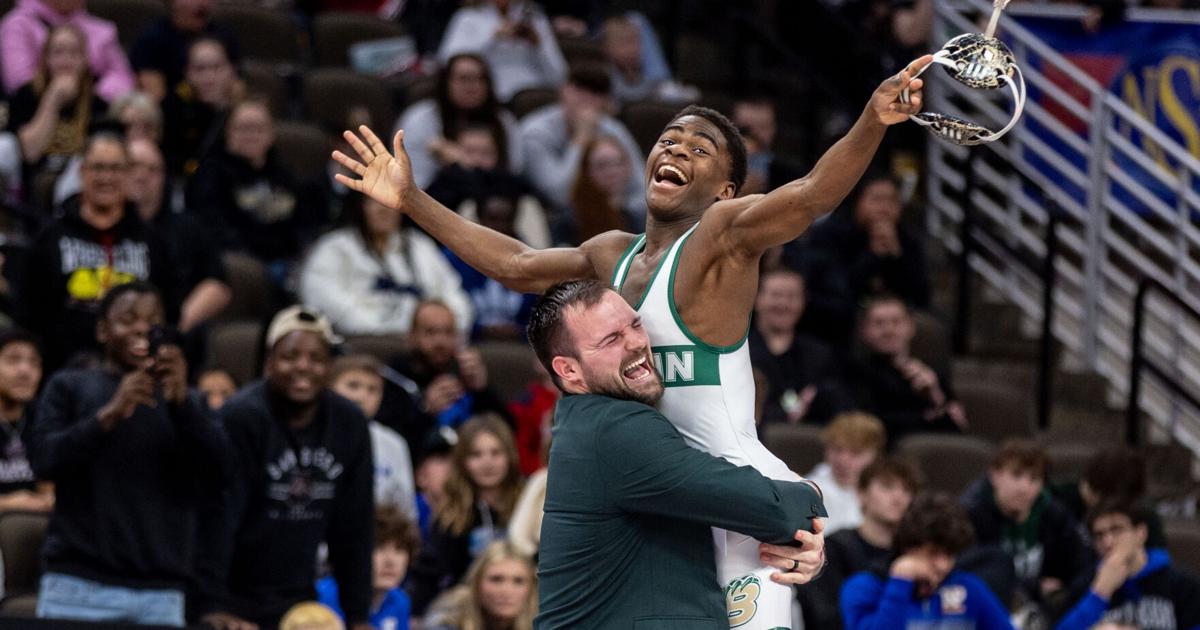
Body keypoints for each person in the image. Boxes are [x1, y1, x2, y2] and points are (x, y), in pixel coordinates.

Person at [336, 53, 930, 629]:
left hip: (735, 487)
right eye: (670, 139)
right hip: (661, 493)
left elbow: (809, 196)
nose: (676, 149)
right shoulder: (609, 255)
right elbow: (516, 263)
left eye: (701, 149)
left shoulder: (722, 236)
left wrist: (871, 122)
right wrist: (412, 200)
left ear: (726, 191)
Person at [524, 280, 827, 628]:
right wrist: (809, 494)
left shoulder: (587, 426)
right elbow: (767, 509)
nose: (637, 342)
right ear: (568, 370)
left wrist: (801, 549)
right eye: (611, 339)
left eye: (635, 324)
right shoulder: (615, 429)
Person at [29, 282, 228, 626]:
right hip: (77, 586)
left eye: (153, 320)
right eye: (128, 319)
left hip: (161, 593)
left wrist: (182, 407)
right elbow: (45, 460)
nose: (141, 328)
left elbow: (221, 476)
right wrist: (110, 413)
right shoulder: (70, 386)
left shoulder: (189, 401)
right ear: (103, 330)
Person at [200, 306, 374, 630]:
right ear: (268, 363)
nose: (303, 367)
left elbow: (355, 529)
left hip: (298, 599)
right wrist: (210, 607)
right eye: (290, 356)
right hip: (231, 597)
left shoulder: (349, 424)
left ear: (330, 367)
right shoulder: (240, 418)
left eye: (316, 358)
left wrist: (358, 617)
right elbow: (216, 520)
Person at [22, 132, 175, 371]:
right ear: (82, 172)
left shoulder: (152, 241)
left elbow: (169, 310)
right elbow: (33, 314)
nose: (106, 177)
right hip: (65, 372)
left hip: (136, 372)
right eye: (98, 168)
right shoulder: (51, 238)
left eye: (115, 169)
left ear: (127, 174)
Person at [188, 96, 323, 289]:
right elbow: (210, 227)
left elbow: (304, 223)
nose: (251, 135)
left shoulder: (285, 174)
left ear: (271, 134)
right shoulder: (210, 175)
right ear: (228, 132)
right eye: (243, 128)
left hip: (289, 265)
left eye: (259, 128)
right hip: (241, 268)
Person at [788, 171, 931, 345]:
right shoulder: (829, 235)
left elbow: (921, 295)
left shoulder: (906, 239)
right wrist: (872, 257)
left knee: (929, 330)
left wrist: (897, 257)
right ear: (857, 201)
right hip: (842, 313)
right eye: (877, 199)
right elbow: (836, 289)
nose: (884, 208)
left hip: (892, 313)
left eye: (892, 200)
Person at [300, 193, 473, 338]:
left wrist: (446, 330)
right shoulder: (334, 247)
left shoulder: (420, 246)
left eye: (389, 202)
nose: (382, 209)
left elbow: (453, 296)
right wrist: (380, 329)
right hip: (361, 341)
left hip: (422, 345)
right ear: (360, 207)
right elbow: (324, 299)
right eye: (373, 202)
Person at [841, 493, 1015, 630]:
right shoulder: (863, 588)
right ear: (908, 547)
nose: (943, 566)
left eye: (949, 554)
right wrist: (900, 583)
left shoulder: (968, 588)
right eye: (933, 553)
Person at [408, 415, 523, 616]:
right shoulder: (451, 514)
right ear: (462, 461)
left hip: (524, 609)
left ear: (510, 456)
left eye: (496, 453)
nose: (487, 463)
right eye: (476, 454)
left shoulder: (528, 504)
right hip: (466, 613)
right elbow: (428, 576)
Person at [962, 439, 1094, 611]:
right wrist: (1033, 587)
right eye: (1016, 475)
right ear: (994, 476)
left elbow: (1081, 564)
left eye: (1034, 479)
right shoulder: (971, 516)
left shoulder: (1054, 515)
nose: (1025, 487)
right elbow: (971, 574)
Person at [127, 138, 231, 342]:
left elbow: (217, 286)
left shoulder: (189, 227)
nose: (142, 175)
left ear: (164, 179)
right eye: (133, 166)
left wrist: (176, 328)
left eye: (153, 169)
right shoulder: (102, 228)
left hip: (174, 330)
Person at [800, 456, 921, 630]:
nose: (898, 497)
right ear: (861, 493)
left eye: (906, 490)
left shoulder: (913, 552)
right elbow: (823, 617)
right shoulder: (835, 548)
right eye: (887, 487)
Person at [516, 65, 644, 217]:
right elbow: (559, 196)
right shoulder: (535, 133)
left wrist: (621, 208)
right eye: (580, 90)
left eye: (595, 93)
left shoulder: (613, 129)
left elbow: (642, 189)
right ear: (563, 91)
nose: (586, 100)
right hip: (556, 219)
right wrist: (581, 138)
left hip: (615, 213)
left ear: (606, 102)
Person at [1055, 501, 1200, 630]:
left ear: (1141, 533)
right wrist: (1098, 594)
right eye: (1099, 535)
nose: (1108, 542)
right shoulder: (1085, 585)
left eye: (1116, 530)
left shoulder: (1182, 584)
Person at [5, 23, 107, 205]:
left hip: (79, 187)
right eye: (58, 52)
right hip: (30, 182)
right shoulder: (26, 96)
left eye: (74, 53)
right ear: (45, 60)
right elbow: (30, 152)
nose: (66, 60)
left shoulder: (98, 105)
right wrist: (53, 99)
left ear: (85, 60)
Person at [846, 294, 964, 444]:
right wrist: (931, 418)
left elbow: (956, 426)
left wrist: (935, 395)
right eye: (879, 323)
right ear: (864, 330)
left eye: (896, 322)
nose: (888, 330)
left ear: (911, 326)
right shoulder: (854, 373)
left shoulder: (931, 373)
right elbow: (874, 425)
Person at [394, 54, 522, 190]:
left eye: (480, 79)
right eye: (463, 79)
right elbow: (414, 184)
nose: (472, 86)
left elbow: (515, 171)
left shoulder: (503, 121)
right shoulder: (419, 120)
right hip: (436, 201)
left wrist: (461, 161)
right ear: (446, 82)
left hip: (496, 197)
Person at [749, 266, 850, 424]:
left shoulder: (820, 354)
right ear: (756, 299)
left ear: (803, 302)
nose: (783, 304)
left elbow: (839, 406)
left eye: (792, 297)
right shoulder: (738, 353)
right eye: (776, 295)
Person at [391, 300, 510, 430]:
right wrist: (425, 410)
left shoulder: (465, 372)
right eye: (431, 332)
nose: (440, 341)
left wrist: (482, 390)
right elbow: (390, 439)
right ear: (412, 337)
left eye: (448, 332)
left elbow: (507, 432)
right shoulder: (395, 376)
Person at [330, 354, 418, 518]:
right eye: (353, 385)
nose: (362, 396)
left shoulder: (393, 444)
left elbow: (406, 509)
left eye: (373, 389)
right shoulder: (312, 435)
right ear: (329, 388)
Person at [0, 0, 135, 102]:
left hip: (91, 112)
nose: (66, 60)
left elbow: (122, 78)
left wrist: (89, 97)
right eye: (58, 52)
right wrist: (56, 96)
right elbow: (19, 81)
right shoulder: (17, 24)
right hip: (35, 112)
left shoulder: (103, 30)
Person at [437, 0, 567, 102]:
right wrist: (493, 36)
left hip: (532, 94)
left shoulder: (535, 17)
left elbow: (560, 74)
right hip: (488, 94)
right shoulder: (467, 18)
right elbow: (447, 60)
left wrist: (538, 44)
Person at [318, 505, 418, 630]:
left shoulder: (400, 602)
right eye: (379, 548)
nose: (390, 561)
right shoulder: (322, 598)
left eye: (399, 550)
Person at [129, 0, 239, 102]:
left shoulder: (224, 35)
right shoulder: (152, 39)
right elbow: (154, 96)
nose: (202, 3)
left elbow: (237, 87)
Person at [162, 36, 241, 177]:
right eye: (199, 69)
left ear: (232, 70)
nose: (209, 77)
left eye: (217, 67)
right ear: (187, 73)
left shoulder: (244, 115)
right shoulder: (171, 112)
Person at [423, 541, 536, 630]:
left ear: (531, 587)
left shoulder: (544, 623)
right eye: (496, 579)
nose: (506, 591)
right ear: (476, 583)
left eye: (518, 581)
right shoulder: (446, 622)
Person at [806, 411, 886, 535]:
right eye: (837, 449)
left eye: (855, 453)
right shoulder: (810, 490)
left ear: (875, 456)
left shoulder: (886, 492)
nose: (843, 460)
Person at [0, 329, 53, 512]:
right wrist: (8, 503)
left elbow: (49, 486)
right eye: (13, 360)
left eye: (34, 363)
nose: (25, 371)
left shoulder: (44, 418)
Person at [566, 134, 643, 242]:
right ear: (586, 171)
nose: (613, 172)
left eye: (619, 163)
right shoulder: (570, 221)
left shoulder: (636, 217)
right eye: (602, 165)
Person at [731, 97, 803, 195]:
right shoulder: (711, 172)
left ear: (774, 129)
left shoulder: (791, 176)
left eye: (763, 127)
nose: (754, 135)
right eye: (745, 129)